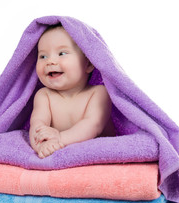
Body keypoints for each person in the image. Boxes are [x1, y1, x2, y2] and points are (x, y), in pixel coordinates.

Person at [29, 24, 115, 159]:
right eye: (43, 56)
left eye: (62, 53)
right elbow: (37, 124)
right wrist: (41, 145)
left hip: (96, 155)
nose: (50, 61)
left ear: (88, 64)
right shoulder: (44, 96)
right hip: (63, 152)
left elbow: (93, 124)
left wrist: (60, 138)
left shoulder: (98, 93)